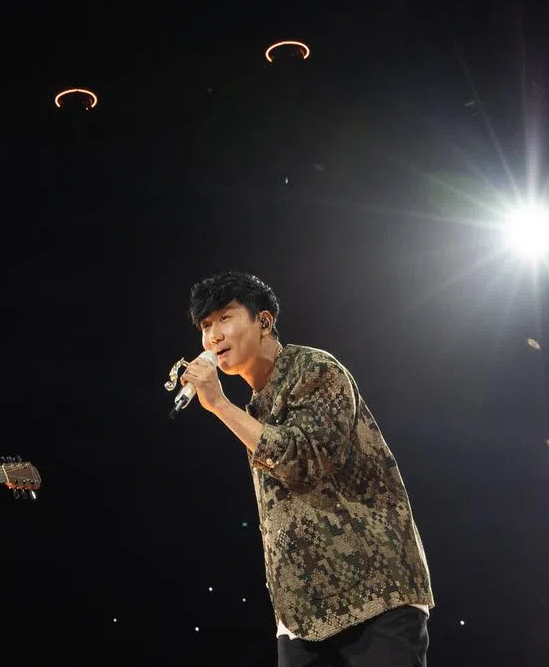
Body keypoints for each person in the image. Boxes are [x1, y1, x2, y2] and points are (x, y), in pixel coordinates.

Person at [178, 272, 433, 667]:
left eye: (224, 318)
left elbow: (304, 462)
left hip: (375, 596)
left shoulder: (315, 369)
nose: (213, 337)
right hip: (302, 618)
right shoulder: (257, 405)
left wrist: (220, 407)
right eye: (206, 326)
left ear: (263, 322)